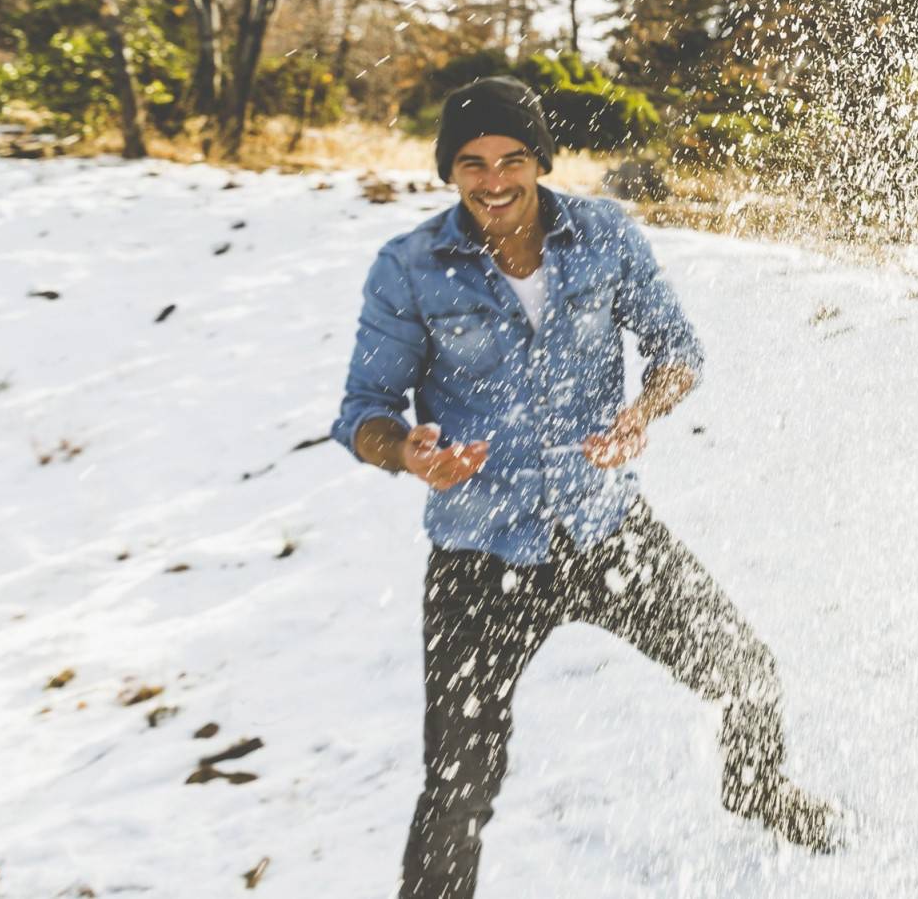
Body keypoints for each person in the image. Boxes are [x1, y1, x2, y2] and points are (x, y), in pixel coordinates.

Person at [332, 76, 842, 898]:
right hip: (481, 555)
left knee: (748, 673)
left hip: (606, 530)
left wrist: (643, 410)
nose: (493, 181)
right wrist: (408, 454)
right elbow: (363, 411)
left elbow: (678, 347)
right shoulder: (411, 267)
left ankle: (758, 788)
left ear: (538, 160)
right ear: (447, 170)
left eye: (511, 160)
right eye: (471, 164)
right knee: (459, 783)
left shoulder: (604, 235)